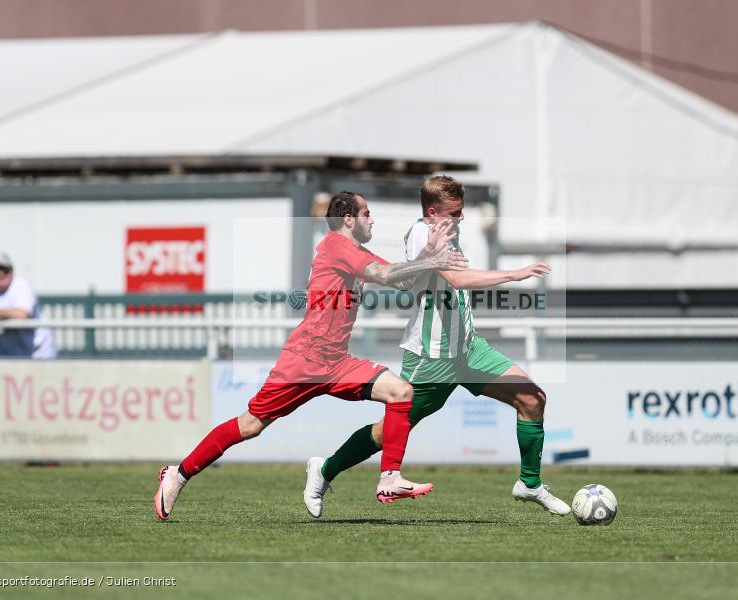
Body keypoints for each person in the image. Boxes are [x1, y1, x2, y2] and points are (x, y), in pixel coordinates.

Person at [153, 191, 468, 520]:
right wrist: (431, 260)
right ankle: (177, 475)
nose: (372, 219)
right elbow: (385, 275)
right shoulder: (337, 245)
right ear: (348, 218)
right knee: (249, 426)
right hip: (304, 362)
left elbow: (402, 282)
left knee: (401, 391)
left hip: (337, 362)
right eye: (366, 213)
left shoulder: (354, 251)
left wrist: (428, 252)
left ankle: (389, 477)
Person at [304, 175, 571, 518]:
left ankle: (529, 484)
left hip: (469, 350)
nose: (462, 218)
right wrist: (515, 275)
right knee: (386, 434)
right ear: (433, 212)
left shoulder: (446, 232)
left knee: (532, 398)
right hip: (431, 358)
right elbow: (458, 279)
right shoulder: (421, 234)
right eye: (455, 212)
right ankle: (325, 469)